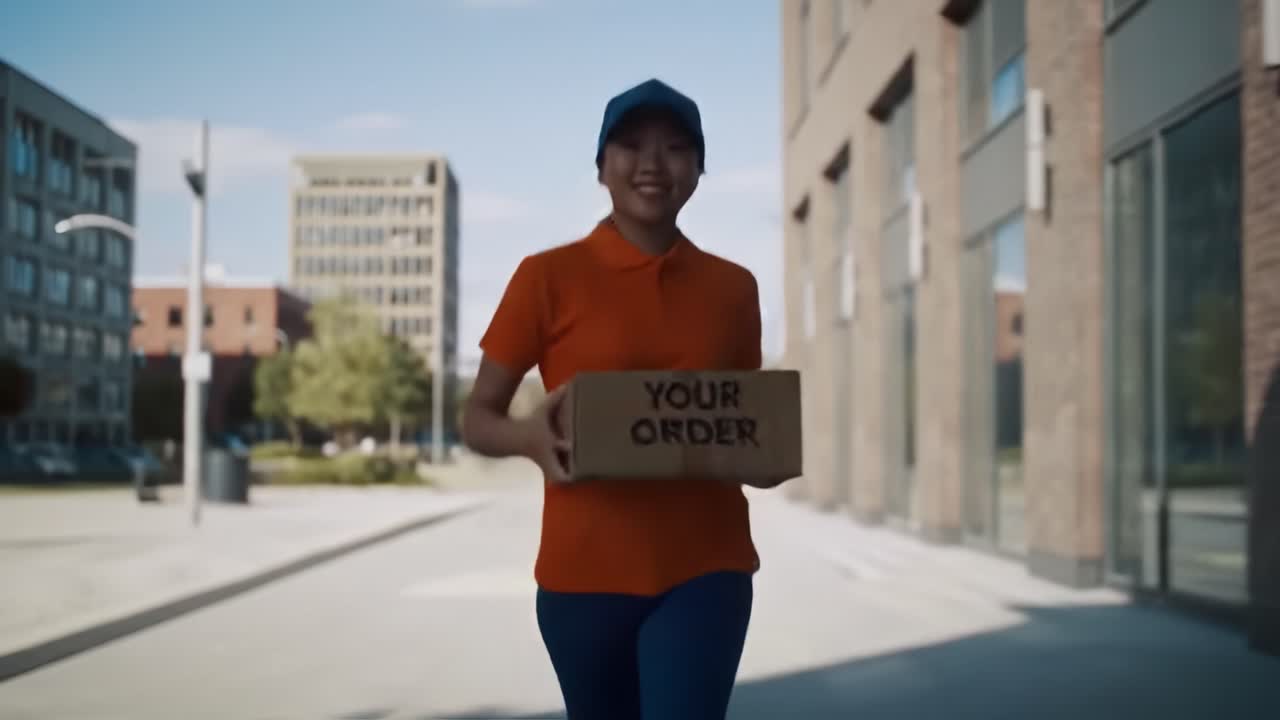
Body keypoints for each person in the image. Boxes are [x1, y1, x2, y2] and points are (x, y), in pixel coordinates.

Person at [463, 78, 786, 720]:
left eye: (675, 148)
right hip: (582, 575)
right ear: (601, 166)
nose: (652, 164)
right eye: (631, 146)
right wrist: (529, 437)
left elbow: (740, 427)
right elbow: (478, 419)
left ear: (698, 168)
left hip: (707, 568)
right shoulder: (546, 277)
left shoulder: (733, 288)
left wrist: (765, 455)